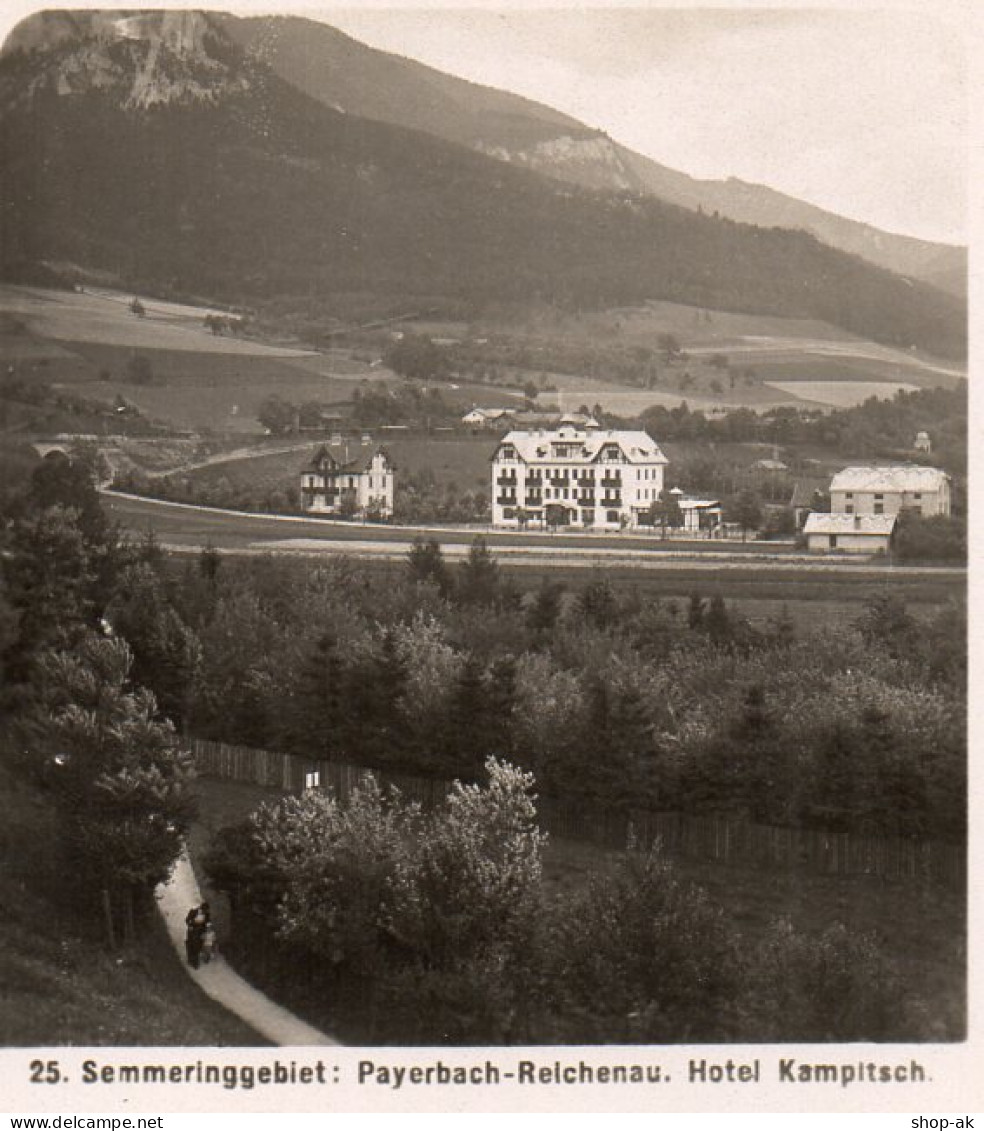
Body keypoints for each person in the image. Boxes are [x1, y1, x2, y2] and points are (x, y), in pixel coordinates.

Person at [184, 903, 210, 969]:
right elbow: (187, 920)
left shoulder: (206, 915)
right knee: (190, 945)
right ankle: (192, 960)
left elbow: (207, 923)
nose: (205, 912)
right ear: (201, 908)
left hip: (200, 933)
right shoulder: (193, 912)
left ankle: (195, 960)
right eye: (204, 910)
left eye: (206, 911)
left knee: (197, 946)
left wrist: (207, 927)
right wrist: (192, 923)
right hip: (192, 931)